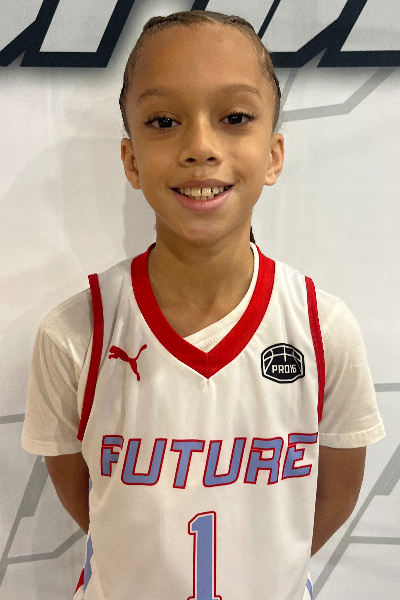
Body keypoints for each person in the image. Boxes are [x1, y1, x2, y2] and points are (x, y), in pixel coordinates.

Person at [21, 10, 385, 600]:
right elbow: (89, 500)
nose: (200, 147)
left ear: (274, 154)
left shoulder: (323, 328)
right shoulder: (75, 333)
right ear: (132, 160)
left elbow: (334, 497)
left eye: (234, 118)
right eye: (164, 121)